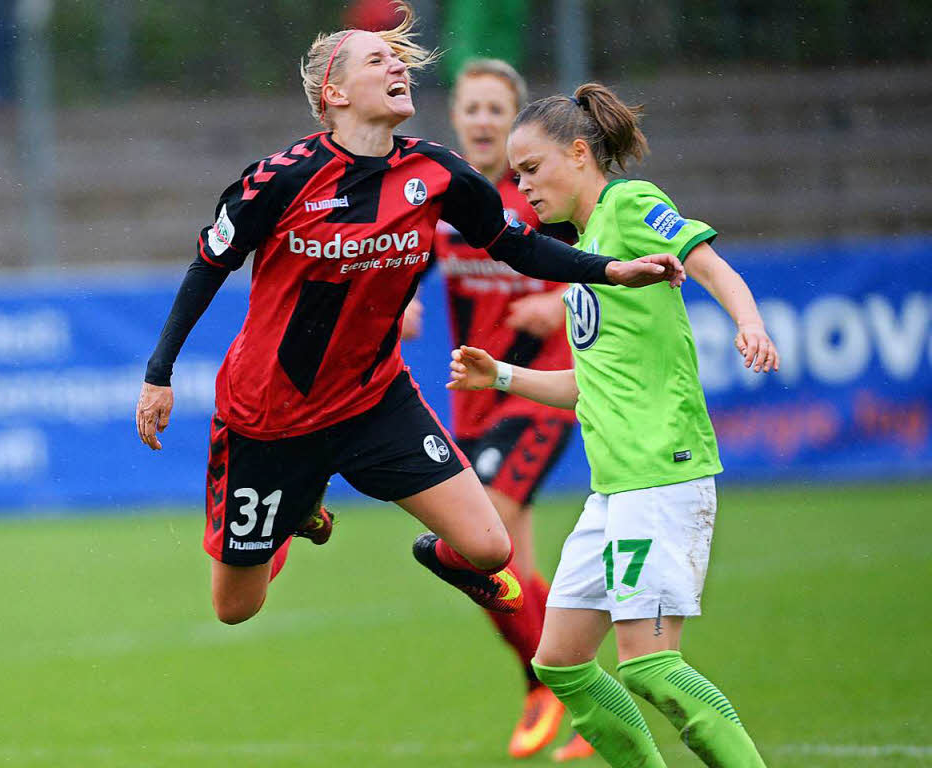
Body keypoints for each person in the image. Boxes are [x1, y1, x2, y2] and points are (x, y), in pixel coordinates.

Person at [134, 2, 684, 638]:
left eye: (398, 58)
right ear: (334, 93)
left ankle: (424, 550)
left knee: (489, 547)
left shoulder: (436, 173)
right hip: (268, 416)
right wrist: (159, 373)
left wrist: (611, 270)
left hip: (373, 401)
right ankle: (297, 511)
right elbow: (209, 264)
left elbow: (518, 245)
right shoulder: (279, 180)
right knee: (236, 607)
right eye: (377, 59)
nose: (397, 63)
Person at [447, 82, 778, 767]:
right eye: (517, 175)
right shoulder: (584, 256)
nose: (524, 187)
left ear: (578, 153)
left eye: (533, 170)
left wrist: (748, 322)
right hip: (613, 492)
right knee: (560, 663)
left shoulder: (629, 205)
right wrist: (500, 376)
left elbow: (711, 265)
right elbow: (585, 385)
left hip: (662, 478)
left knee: (649, 665)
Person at [404, 58, 592, 762]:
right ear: (454, 117)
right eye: (472, 108)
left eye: (495, 109)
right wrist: (404, 303)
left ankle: (543, 680)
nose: (482, 120)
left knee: (488, 525)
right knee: (513, 560)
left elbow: (609, 274)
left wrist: (562, 300)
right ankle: (583, 699)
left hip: (544, 386)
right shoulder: (441, 197)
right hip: (478, 396)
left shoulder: (541, 194)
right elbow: (406, 269)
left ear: (515, 122)